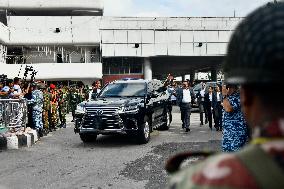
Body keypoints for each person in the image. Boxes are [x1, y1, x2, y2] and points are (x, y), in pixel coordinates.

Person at [167, 2, 284, 188]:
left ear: (247, 96)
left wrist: (223, 95)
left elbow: (228, 107)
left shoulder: (201, 181)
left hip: (236, 140)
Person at [221, 84, 248, 151]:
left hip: (236, 132)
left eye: (227, 87)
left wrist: (224, 95)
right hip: (228, 132)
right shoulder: (229, 97)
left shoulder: (239, 96)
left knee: (236, 155)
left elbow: (228, 109)